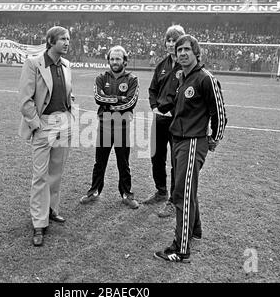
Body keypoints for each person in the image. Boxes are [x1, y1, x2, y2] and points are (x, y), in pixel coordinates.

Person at [154, 34, 227, 262]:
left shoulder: (205, 78)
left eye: (187, 49)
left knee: (181, 194)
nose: (183, 53)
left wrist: (214, 138)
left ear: (197, 53)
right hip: (178, 140)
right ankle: (195, 230)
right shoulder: (183, 79)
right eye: (179, 50)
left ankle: (181, 249)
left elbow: (220, 114)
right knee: (187, 189)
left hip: (193, 141)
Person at [18, 26, 74, 247]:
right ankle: (39, 223)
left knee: (56, 173)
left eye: (69, 39)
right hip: (44, 125)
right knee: (40, 175)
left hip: (63, 124)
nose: (67, 42)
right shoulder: (33, 64)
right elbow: (25, 99)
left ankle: (51, 210)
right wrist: (37, 124)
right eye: (63, 39)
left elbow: (67, 93)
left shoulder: (67, 65)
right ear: (51, 41)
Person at [80, 45, 140, 209]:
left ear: (124, 61)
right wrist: (118, 99)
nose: (114, 62)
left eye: (118, 59)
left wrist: (110, 102)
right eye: (112, 59)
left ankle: (127, 194)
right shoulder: (101, 77)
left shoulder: (132, 79)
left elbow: (130, 102)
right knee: (99, 161)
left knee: (123, 162)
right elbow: (98, 98)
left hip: (122, 126)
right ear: (108, 61)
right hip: (104, 124)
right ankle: (94, 191)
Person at [143, 25, 185, 218]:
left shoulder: (187, 66)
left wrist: (174, 112)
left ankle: (173, 201)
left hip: (177, 122)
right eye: (168, 40)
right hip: (159, 120)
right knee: (156, 157)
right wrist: (154, 107)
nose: (170, 44)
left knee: (177, 162)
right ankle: (161, 191)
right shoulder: (162, 65)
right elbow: (152, 90)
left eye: (174, 40)